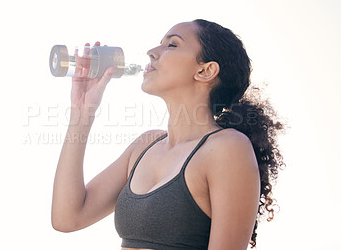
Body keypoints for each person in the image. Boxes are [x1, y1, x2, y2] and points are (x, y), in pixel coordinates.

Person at [51, 19, 285, 250]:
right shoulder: (144, 146)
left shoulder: (228, 148)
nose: (151, 52)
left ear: (205, 70)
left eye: (172, 44)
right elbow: (68, 217)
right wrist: (81, 115)